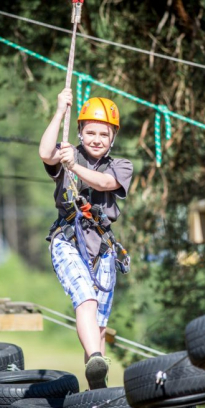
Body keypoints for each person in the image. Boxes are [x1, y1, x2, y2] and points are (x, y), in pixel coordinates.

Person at [39, 88, 133, 390]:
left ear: (112, 138)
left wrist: (73, 166)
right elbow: (44, 152)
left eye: (104, 134)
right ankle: (94, 356)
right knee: (86, 299)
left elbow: (106, 183)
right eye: (90, 132)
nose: (96, 139)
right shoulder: (68, 153)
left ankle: (97, 383)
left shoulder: (120, 166)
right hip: (68, 240)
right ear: (80, 132)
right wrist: (59, 112)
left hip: (102, 247)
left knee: (100, 322)